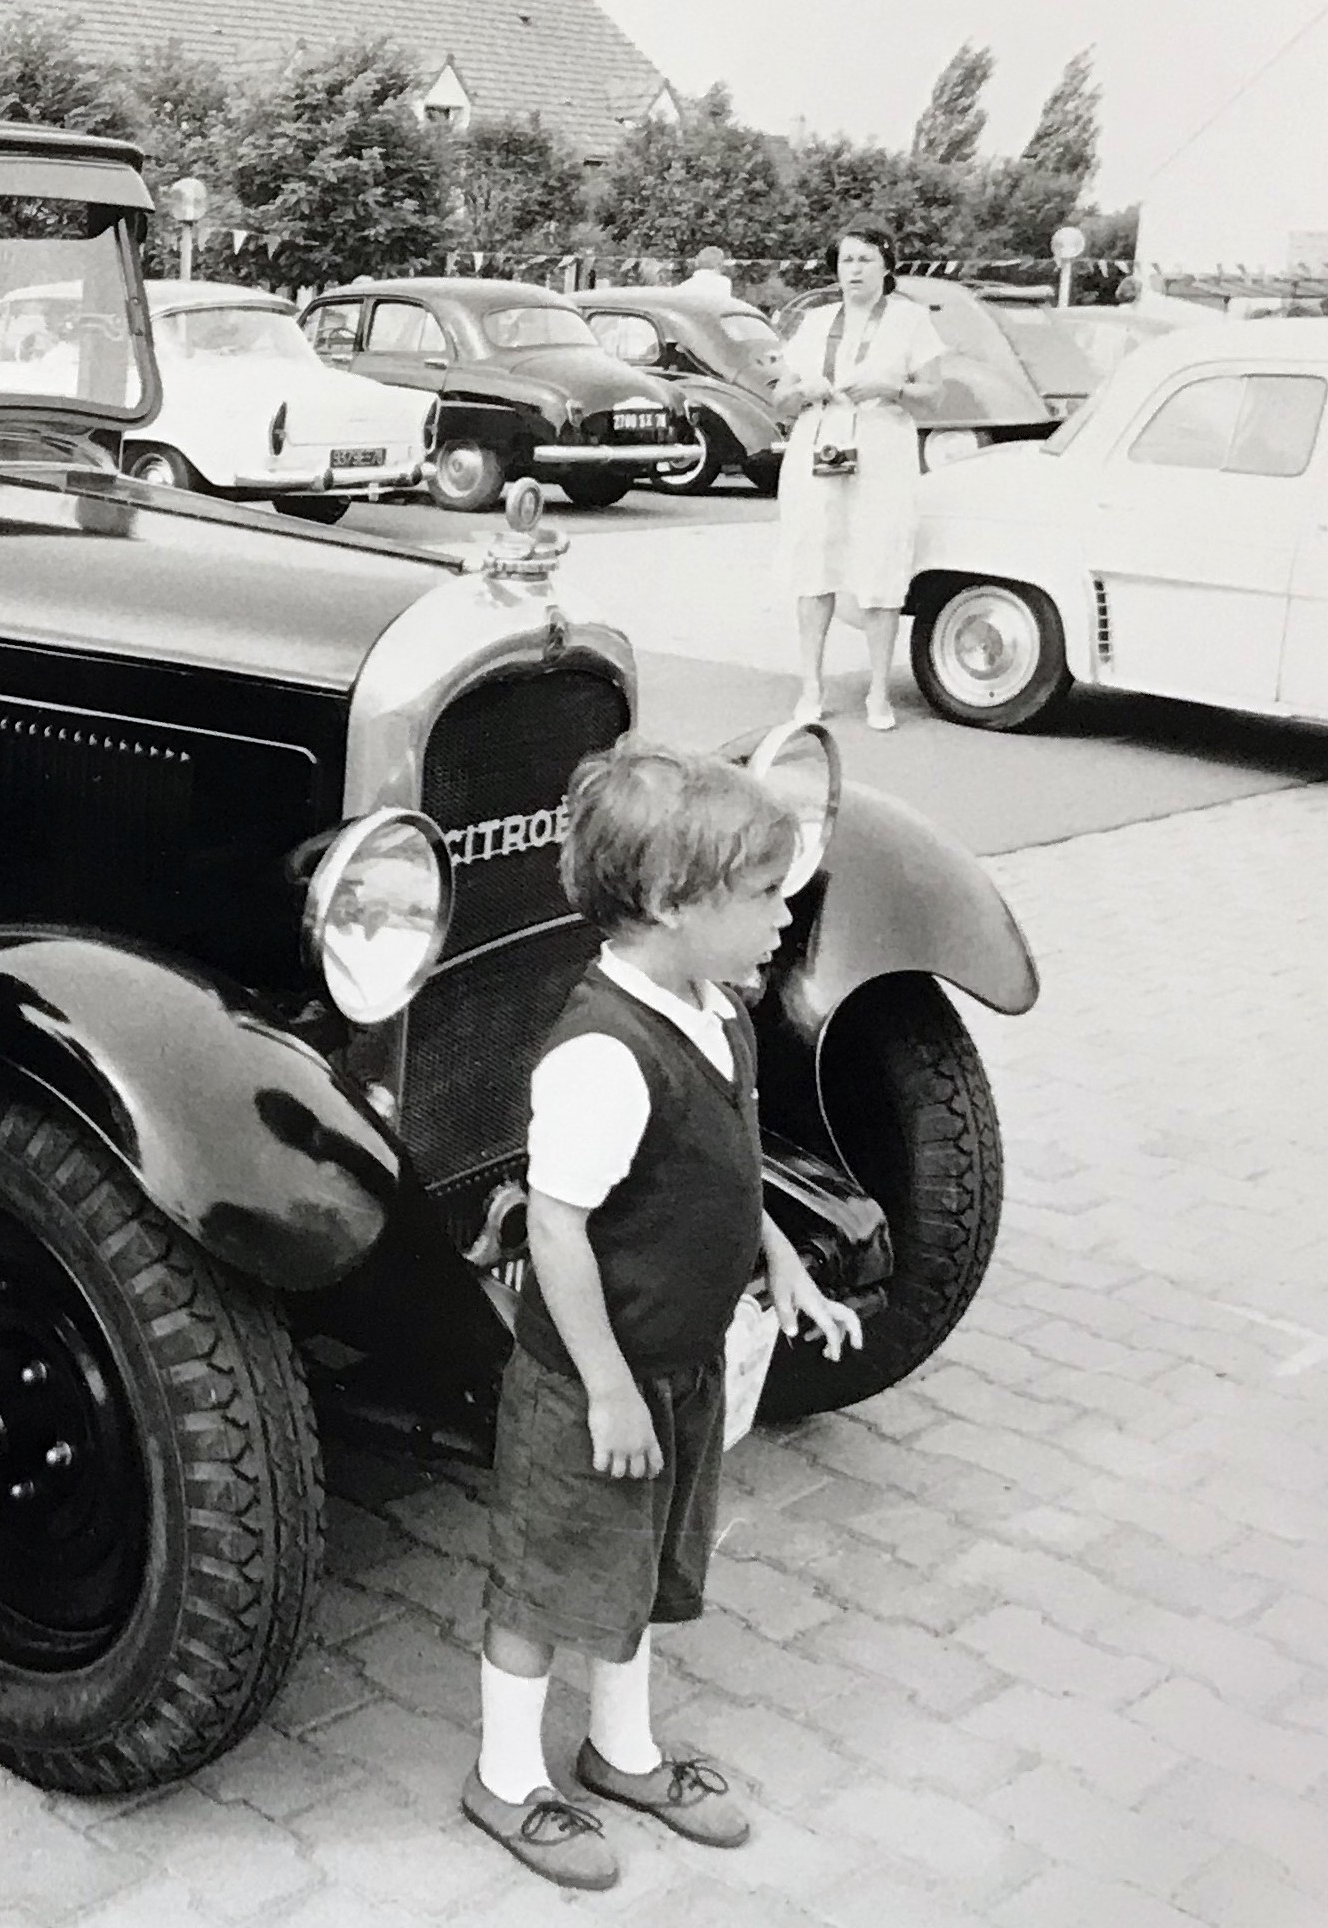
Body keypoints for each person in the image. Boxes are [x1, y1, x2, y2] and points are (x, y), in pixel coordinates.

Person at [465, 741, 862, 1893]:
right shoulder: (602, 1054)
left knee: (633, 1567)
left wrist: (782, 1260)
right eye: (763, 895)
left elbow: (723, 1172)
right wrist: (602, 1387)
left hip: (672, 1371)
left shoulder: (712, 1008)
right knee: (547, 1580)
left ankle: (621, 1750)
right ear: (672, 902)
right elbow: (556, 1229)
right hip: (595, 1384)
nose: (787, 915)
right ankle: (503, 1774)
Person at [771, 231, 933, 729]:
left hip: (882, 451)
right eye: (846, 260)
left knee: (881, 565)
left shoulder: (910, 320)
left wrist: (893, 387)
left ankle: (879, 693)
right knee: (814, 562)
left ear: (887, 266)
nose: (855, 269)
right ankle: (811, 687)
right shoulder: (817, 322)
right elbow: (779, 398)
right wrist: (804, 390)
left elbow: (934, 397)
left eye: (866, 259)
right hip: (819, 447)